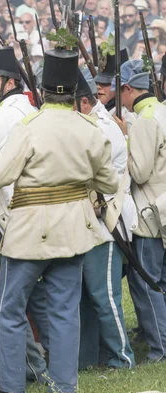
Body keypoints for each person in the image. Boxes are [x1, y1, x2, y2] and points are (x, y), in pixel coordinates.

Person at [0, 46, 118, 393]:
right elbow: (109, 183)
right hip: (75, 230)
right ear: (74, 91)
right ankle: (65, 388)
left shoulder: (29, 126)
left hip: (30, 230)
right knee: (64, 310)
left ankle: (10, 389)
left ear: (43, 89)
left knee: (9, 309)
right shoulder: (89, 128)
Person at [74, 71, 136, 370]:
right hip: (85, 222)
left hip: (106, 223)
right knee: (85, 297)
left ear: (83, 102)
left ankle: (121, 358)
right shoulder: (86, 123)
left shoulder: (103, 128)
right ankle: (87, 359)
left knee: (105, 296)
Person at [116, 59, 166, 363]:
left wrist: (124, 139)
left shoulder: (146, 120)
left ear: (128, 89)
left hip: (150, 213)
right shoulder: (161, 110)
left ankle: (160, 347)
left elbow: (140, 171)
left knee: (147, 283)